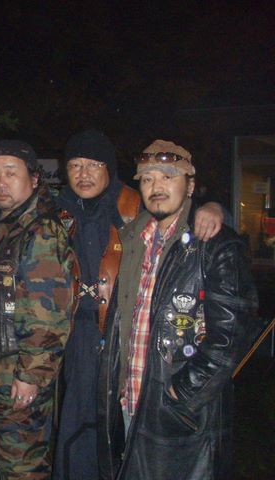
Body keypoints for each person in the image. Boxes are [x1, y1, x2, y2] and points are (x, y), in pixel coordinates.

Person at [53, 129, 225, 480]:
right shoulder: (57, 211)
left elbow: (184, 215)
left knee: (128, 440)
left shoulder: (134, 209)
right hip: (78, 338)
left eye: (93, 164)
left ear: (110, 168)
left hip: (129, 342)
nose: (84, 174)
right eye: (75, 165)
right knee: (78, 425)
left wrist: (214, 207)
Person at [97, 140, 259, 479]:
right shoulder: (133, 238)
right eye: (147, 179)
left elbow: (232, 336)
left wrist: (181, 392)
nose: (156, 186)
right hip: (130, 398)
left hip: (180, 413)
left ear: (190, 185)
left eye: (167, 177)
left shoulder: (216, 245)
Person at [0, 140, 75, 479]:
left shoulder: (40, 232)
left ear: (34, 179)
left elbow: (48, 315)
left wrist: (31, 377)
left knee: (24, 468)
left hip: (19, 379)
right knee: (5, 460)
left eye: (11, 173)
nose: (0, 183)